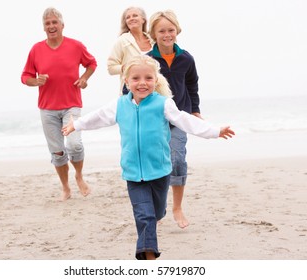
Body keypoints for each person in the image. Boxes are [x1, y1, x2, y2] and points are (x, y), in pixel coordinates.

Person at [61, 55, 235, 260]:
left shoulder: (163, 104)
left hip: (160, 171)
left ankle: (158, 217)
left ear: (155, 80)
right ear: (126, 82)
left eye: (148, 78)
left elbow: (185, 120)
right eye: (136, 78)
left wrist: (214, 131)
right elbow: (97, 117)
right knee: (144, 215)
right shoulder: (119, 105)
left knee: (157, 212)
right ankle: (148, 256)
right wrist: (76, 124)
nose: (142, 83)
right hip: (133, 173)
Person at [21, 7, 97, 201]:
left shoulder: (75, 45)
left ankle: (79, 175)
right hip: (47, 109)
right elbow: (25, 76)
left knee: (74, 145)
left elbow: (92, 63)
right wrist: (35, 81)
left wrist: (84, 78)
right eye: (47, 23)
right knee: (57, 151)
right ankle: (65, 187)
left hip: (71, 104)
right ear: (44, 28)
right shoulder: (36, 49)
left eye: (55, 22)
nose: (51, 26)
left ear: (62, 25)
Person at [147, 10, 202, 228]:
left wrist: (195, 111)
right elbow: (129, 88)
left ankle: (177, 207)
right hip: (154, 119)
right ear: (154, 33)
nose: (167, 34)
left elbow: (192, 86)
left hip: (179, 117)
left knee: (177, 159)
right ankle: (157, 207)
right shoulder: (147, 60)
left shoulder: (186, 58)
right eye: (162, 30)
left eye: (171, 30)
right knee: (157, 162)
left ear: (177, 31)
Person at [107, 6, 153, 95]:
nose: (131, 19)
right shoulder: (122, 41)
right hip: (130, 91)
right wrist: (126, 67)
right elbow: (110, 68)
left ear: (143, 19)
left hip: (154, 90)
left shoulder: (153, 40)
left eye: (135, 15)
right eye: (128, 17)